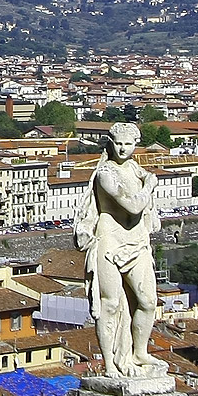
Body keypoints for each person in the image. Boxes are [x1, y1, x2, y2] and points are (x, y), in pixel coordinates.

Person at [76, 122, 165, 379]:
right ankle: (109, 364)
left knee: (148, 301)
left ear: (136, 145)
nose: (123, 148)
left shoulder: (135, 169)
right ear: (111, 143)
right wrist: (149, 186)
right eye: (118, 143)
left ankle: (139, 353)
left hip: (137, 242)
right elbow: (133, 206)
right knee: (110, 305)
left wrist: (146, 180)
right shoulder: (106, 174)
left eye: (128, 144)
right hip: (110, 243)